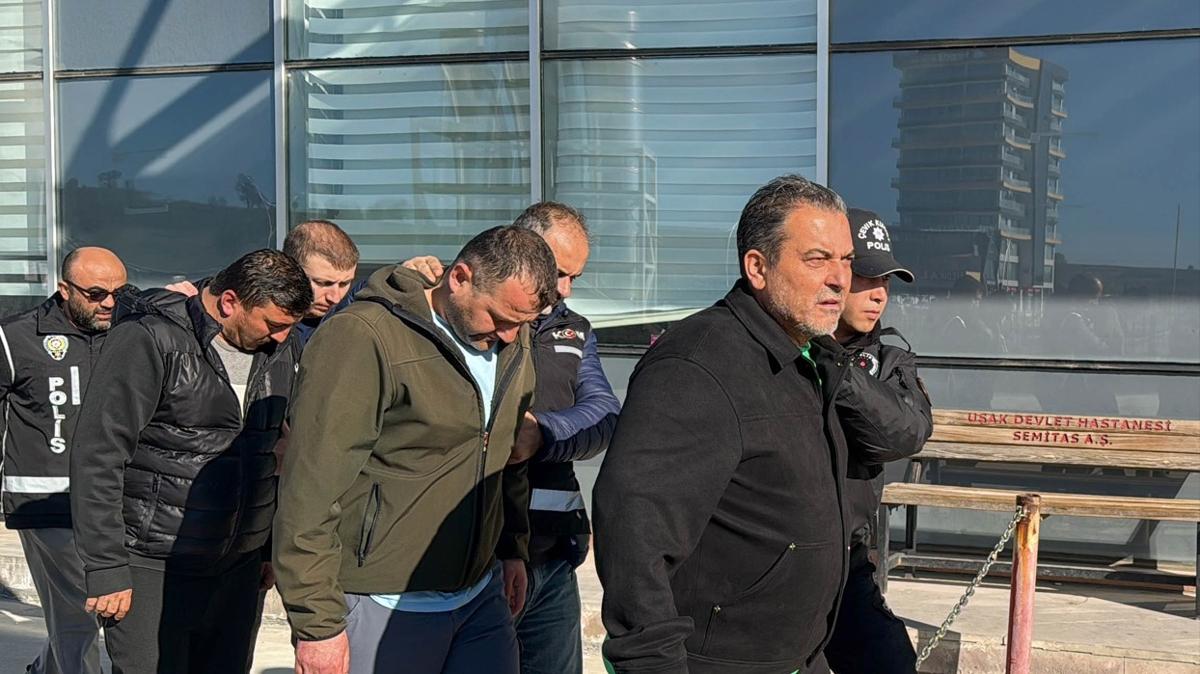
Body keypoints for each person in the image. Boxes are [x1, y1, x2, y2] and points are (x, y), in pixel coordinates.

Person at [593, 175, 856, 673]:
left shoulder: (807, 355)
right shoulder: (697, 366)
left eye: (846, 259)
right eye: (817, 258)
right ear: (758, 267)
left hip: (797, 656)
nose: (840, 278)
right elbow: (635, 534)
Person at [273, 226, 558, 674]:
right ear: (460, 278)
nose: (509, 335)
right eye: (499, 317)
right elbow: (310, 489)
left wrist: (511, 547)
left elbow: (506, 454)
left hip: (480, 597)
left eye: (522, 323)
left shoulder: (511, 337)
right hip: (378, 601)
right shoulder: (364, 337)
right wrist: (317, 623)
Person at [69, 249, 312, 674]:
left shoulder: (281, 349)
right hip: (153, 565)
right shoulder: (150, 339)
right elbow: (98, 455)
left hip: (239, 568)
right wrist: (106, 567)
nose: (281, 337)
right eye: (273, 325)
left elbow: (269, 454)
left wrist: (267, 547)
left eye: (289, 327)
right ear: (230, 302)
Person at [403, 202, 621, 674]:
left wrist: (542, 432)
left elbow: (604, 414)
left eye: (574, 278)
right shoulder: (467, 314)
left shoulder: (574, 331)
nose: (564, 289)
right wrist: (403, 282)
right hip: (474, 552)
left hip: (552, 554)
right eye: (559, 273)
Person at [0, 247, 127, 674]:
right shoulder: (15, 338)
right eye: (96, 293)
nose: (109, 302)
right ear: (64, 289)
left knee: (79, 611)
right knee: (79, 611)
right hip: (45, 503)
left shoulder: (130, 333)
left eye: (119, 292)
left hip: (110, 501)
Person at [821, 208, 932, 674]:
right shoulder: (778, 350)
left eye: (886, 281)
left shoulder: (889, 360)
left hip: (847, 564)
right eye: (867, 277)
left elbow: (903, 434)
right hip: (774, 563)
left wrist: (833, 365)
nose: (880, 294)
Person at [168, 219, 361, 346]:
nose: (335, 297)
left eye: (345, 284)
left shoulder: (355, 311)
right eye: (323, 283)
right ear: (289, 268)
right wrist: (188, 311)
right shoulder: (219, 304)